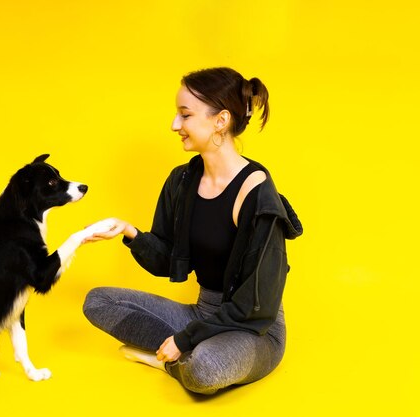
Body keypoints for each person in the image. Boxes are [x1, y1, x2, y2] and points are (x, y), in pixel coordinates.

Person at [82, 67, 303, 395]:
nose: (174, 125)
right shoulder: (182, 181)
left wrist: (183, 340)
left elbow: (258, 305)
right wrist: (129, 232)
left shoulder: (258, 194)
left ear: (220, 120)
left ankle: (171, 360)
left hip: (253, 331)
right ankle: (182, 353)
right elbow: (165, 259)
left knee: (204, 368)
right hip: (202, 313)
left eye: (184, 115)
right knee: (97, 301)